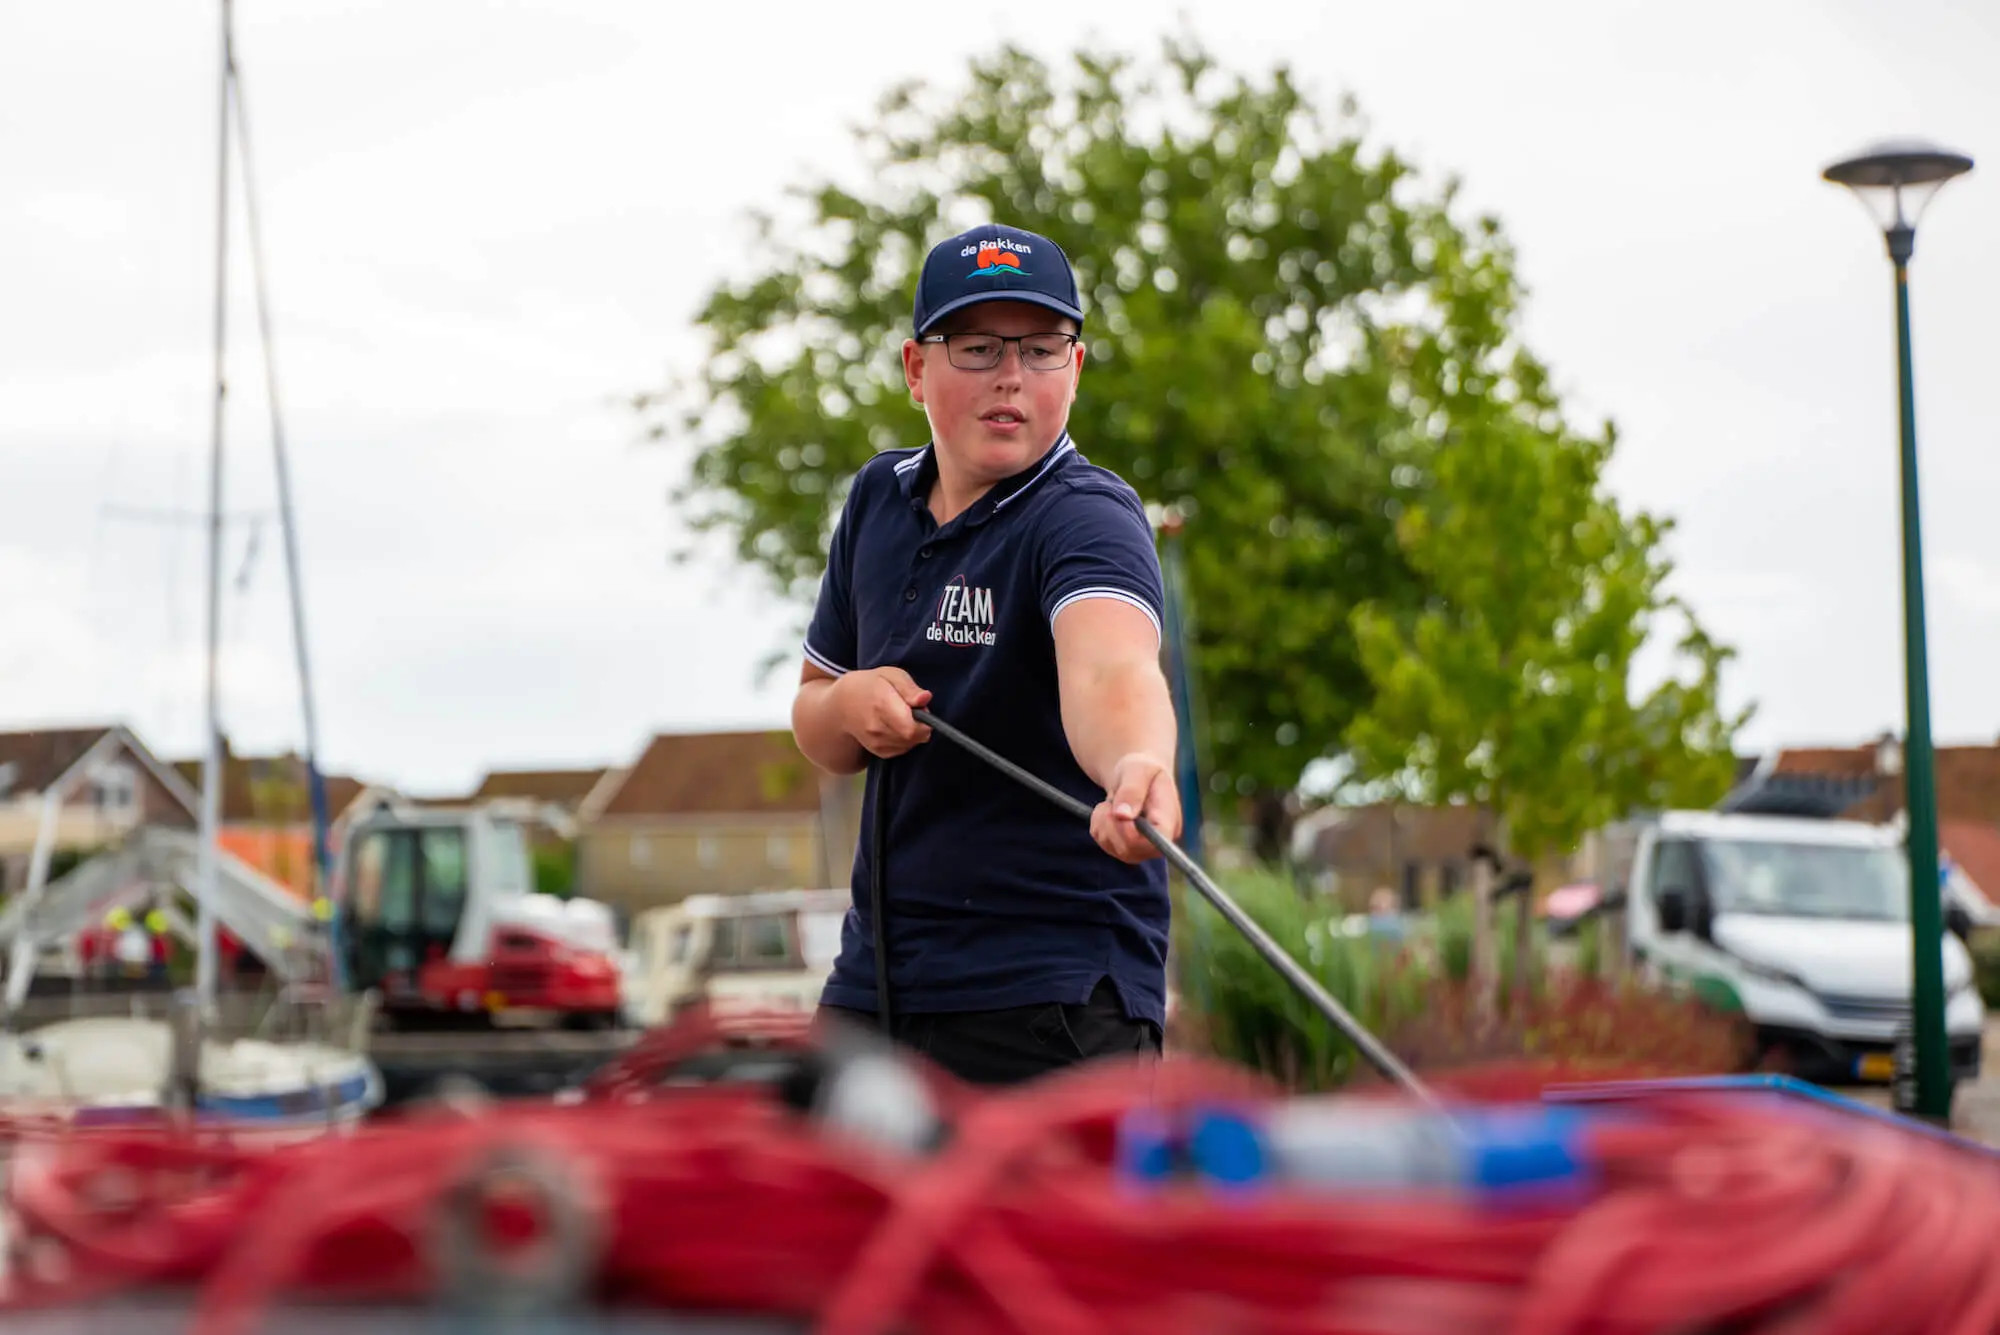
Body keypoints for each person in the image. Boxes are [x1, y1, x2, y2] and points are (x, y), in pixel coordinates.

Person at [792, 222, 1182, 1086]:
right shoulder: (876, 500)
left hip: (1054, 997)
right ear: (915, 368)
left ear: (1075, 370)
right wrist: (850, 702)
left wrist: (1138, 763)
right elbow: (817, 719)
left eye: (1042, 349)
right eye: (977, 348)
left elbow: (1112, 669)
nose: (1011, 375)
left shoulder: (1087, 516)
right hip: (877, 986)